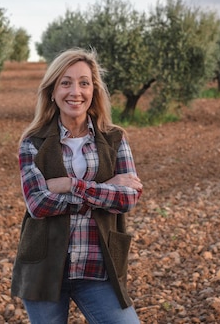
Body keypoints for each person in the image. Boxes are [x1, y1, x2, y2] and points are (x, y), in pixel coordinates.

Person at [11, 48, 143, 323]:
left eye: (84, 82)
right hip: (44, 270)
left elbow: (128, 198)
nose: (76, 91)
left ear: (93, 90)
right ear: (52, 91)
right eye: (66, 82)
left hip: (99, 268)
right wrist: (106, 187)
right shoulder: (32, 142)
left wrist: (71, 184)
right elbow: (38, 204)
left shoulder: (115, 138)